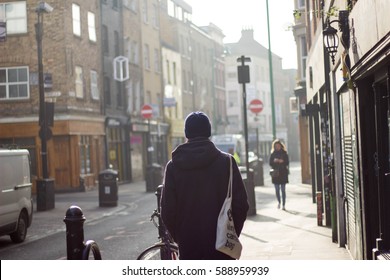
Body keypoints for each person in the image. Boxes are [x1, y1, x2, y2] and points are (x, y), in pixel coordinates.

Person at [160, 111, 249, 260]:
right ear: (208, 131)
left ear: (186, 133)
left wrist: (180, 237)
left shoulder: (173, 166)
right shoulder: (227, 162)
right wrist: (230, 234)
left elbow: (168, 210)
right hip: (221, 248)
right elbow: (241, 205)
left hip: (189, 245)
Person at [269, 139, 289, 210]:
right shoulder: (273, 154)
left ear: (281, 146)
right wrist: (275, 161)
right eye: (276, 146)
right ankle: (279, 202)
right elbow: (270, 163)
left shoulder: (284, 153)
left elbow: (287, 162)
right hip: (275, 174)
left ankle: (283, 204)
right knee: (277, 190)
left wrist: (282, 161)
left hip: (283, 174)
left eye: (278, 146)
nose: (277, 147)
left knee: (283, 190)